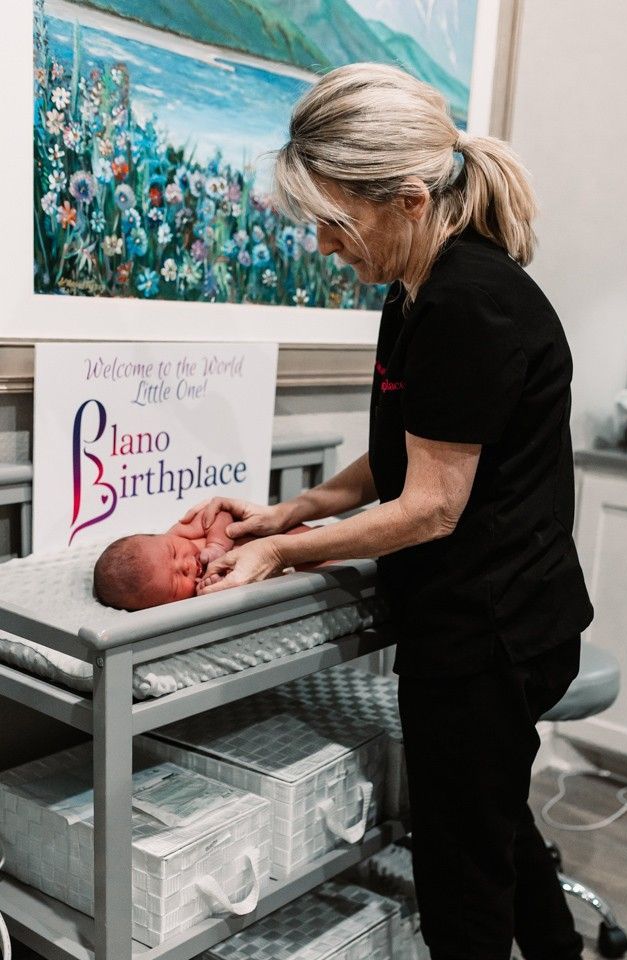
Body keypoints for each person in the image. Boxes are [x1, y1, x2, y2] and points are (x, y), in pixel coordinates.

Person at [188, 63, 594, 960]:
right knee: (492, 821)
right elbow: (413, 441)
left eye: (335, 223)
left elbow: (431, 508)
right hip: (492, 616)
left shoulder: (469, 300)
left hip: (492, 632)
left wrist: (288, 557)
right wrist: (293, 512)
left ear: (408, 199)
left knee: (460, 882)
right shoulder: (416, 290)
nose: (325, 248)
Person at [93, 506, 317, 610]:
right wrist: (214, 584)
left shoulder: (183, 531)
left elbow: (221, 514)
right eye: (176, 582)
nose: (187, 565)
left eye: (173, 552)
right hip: (289, 573)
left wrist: (217, 545)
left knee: (332, 559)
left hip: (287, 537)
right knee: (325, 574)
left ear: (161, 536)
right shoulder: (198, 593)